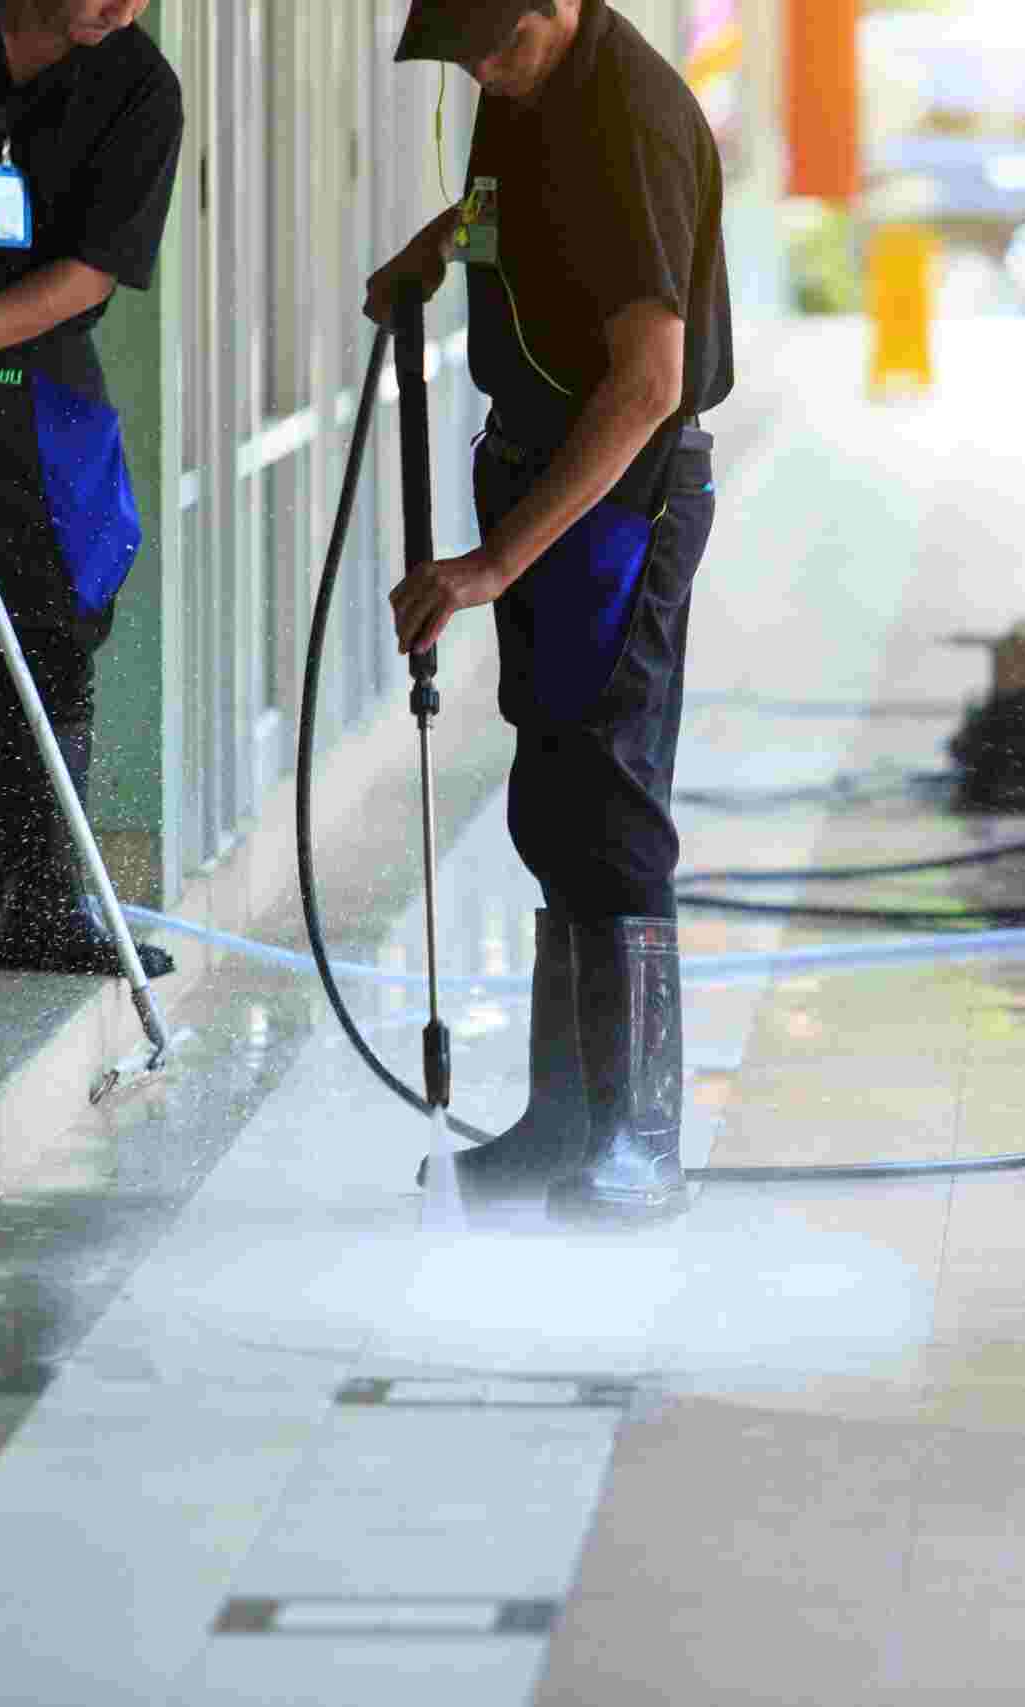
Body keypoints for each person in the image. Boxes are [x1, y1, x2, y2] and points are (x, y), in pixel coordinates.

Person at [372, 0, 734, 1223]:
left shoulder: (628, 120)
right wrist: (436, 247)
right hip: (537, 467)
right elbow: (505, 214)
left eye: (495, 44)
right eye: (463, 51)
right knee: (552, 804)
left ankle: (641, 1138)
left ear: (556, 5)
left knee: (613, 806)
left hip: (620, 494)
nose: (480, 69)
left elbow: (648, 384)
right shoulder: (522, 88)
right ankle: (562, 1123)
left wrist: (491, 565)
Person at [0, 0, 183, 986]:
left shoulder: (138, 86)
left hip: (35, 379)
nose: (122, 7)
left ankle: (42, 906)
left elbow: (96, 270)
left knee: (60, 624)